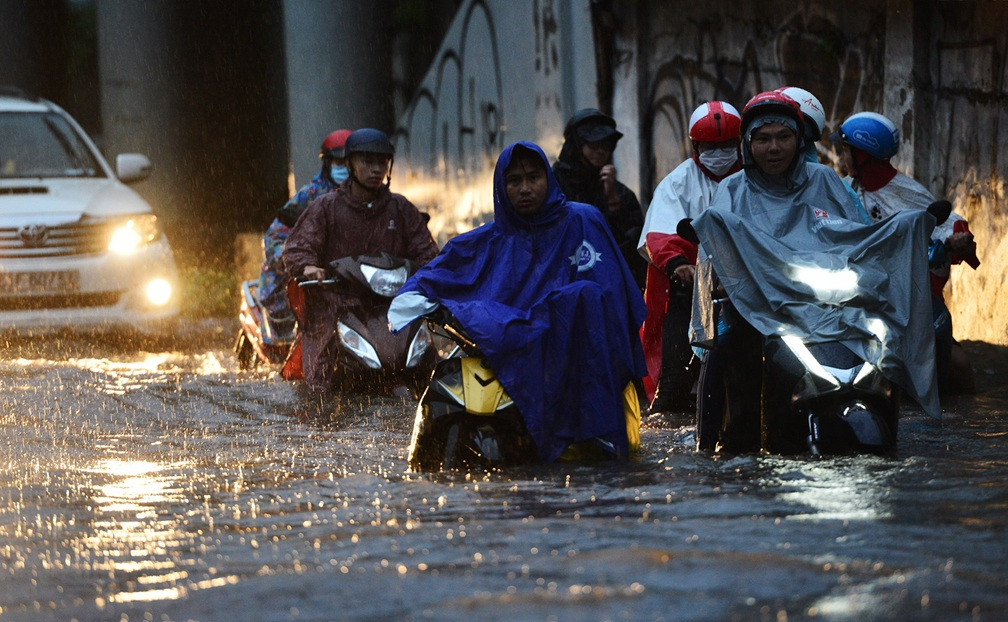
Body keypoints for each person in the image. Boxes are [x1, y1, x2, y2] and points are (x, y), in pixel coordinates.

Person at [690, 91, 939, 452]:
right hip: (760, 307)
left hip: (827, 301)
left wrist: (909, 226)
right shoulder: (732, 189)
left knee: (884, 337)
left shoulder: (825, 180)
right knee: (725, 347)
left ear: (799, 140)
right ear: (747, 144)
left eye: (783, 137)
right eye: (763, 138)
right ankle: (711, 444)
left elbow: (862, 235)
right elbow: (715, 248)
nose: (774, 147)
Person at [388, 141, 647, 462]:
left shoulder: (583, 221)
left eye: (533, 178)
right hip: (512, 352)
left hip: (579, 360)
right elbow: (446, 267)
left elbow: (610, 296)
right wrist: (416, 296)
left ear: (548, 180)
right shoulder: (492, 238)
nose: (525, 189)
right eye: (514, 181)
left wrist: (566, 310)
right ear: (501, 185)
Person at [831, 111, 978, 394]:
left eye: (847, 151)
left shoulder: (906, 192)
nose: (842, 158)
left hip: (907, 294)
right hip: (859, 292)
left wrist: (959, 240)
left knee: (959, 366)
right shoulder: (845, 189)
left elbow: (948, 225)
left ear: (863, 154)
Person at [283, 128, 439, 393]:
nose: (376, 169)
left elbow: (427, 252)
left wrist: (433, 273)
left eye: (381, 162)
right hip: (339, 306)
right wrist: (309, 267)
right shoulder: (326, 207)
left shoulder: (401, 208)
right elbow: (297, 248)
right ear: (350, 164)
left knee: (434, 372)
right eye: (367, 162)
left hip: (393, 308)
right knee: (321, 385)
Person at [636, 101, 742, 414]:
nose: (719, 153)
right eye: (711, 146)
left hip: (753, 287)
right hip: (692, 292)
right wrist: (680, 266)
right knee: (673, 383)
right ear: (695, 145)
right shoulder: (676, 183)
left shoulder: (756, 177)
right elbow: (659, 235)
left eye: (726, 145)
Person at [258, 129, 353, 324]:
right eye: (338, 163)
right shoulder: (309, 196)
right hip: (308, 281)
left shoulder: (371, 199)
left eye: (349, 163)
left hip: (350, 281)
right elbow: (273, 239)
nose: (344, 168)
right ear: (327, 164)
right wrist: (301, 266)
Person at [552, 108, 647, 288]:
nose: (600, 151)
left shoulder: (619, 193)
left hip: (607, 284)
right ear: (577, 146)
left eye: (605, 146)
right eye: (593, 145)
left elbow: (633, 246)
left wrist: (612, 200)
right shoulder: (553, 186)